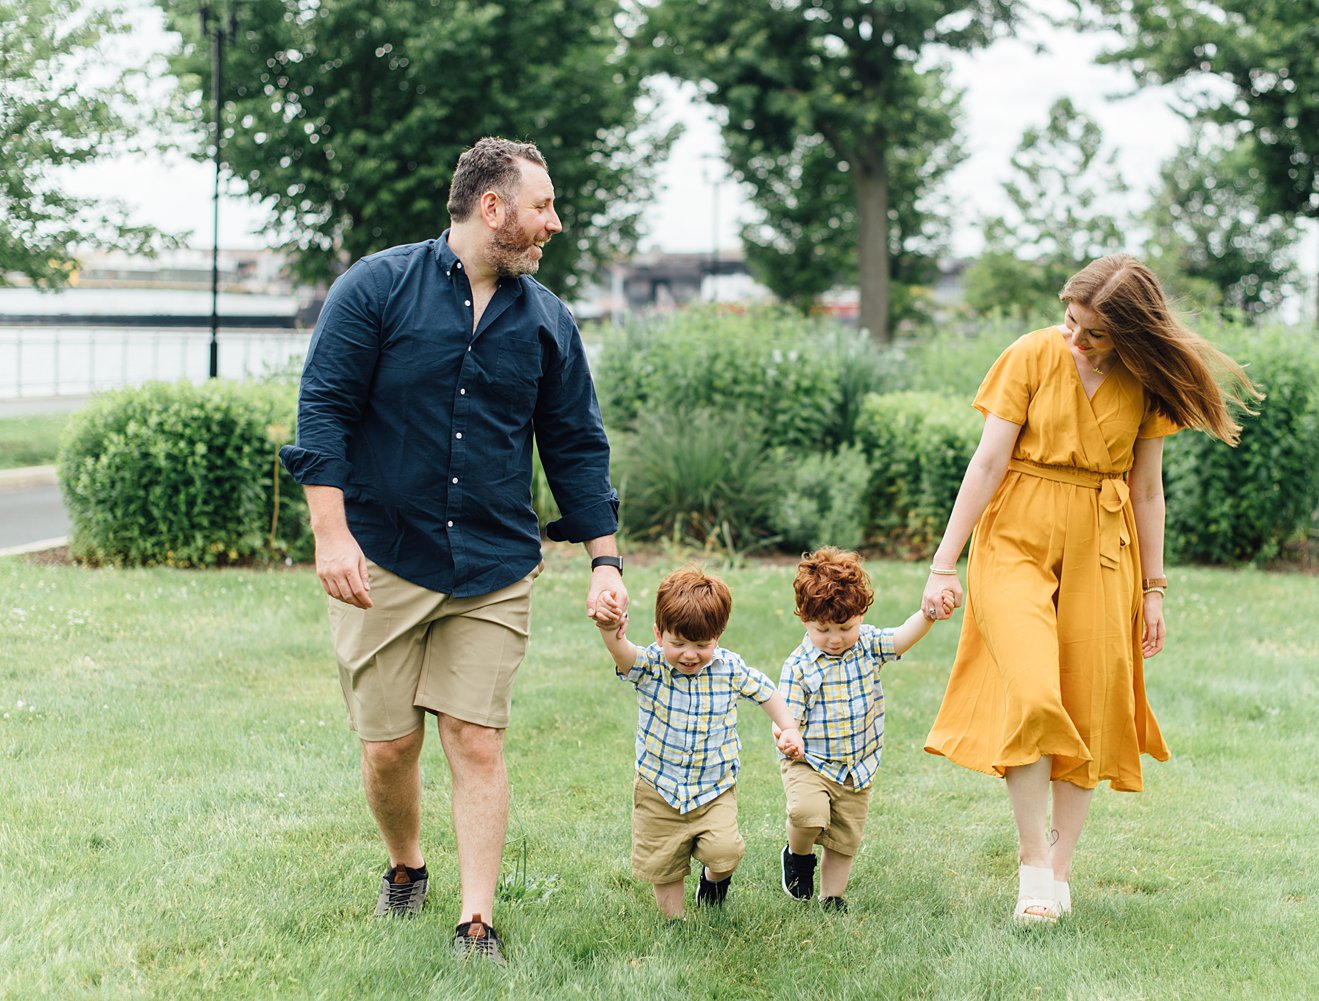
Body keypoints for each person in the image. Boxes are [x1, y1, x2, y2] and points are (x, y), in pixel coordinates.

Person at [279, 137, 628, 964]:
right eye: (543, 206)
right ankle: (407, 861)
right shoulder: (376, 287)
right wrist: (331, 533)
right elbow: (322, 408)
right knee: (389, 745)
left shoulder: (548, 320)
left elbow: (576, 443)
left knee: (477, 737)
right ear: (493, 207)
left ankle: (477, 921)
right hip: (384, 555)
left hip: (494, 565)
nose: (555, 222)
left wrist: (605, 560)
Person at [920, 255, 1259, 923]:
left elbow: (1147, 490)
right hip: (1014, 536)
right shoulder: (1030, 355)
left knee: (1086, 703)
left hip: (1104, 549)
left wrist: (1155, 589)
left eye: (1095, 333)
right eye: (1072, 322)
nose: (1075, 339)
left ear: (1130, 335)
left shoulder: (1145, 379)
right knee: (1035, 690)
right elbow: (987, 460)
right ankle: (1031, 862)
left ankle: (1061, 864)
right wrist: (942, 562)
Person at [591, 567, 805, 920]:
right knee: (665, 863)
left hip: (714, 788)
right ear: (659, 635)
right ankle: (675, 921)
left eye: (702, 645)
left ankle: (713, 883)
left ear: (717, 637)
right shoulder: (651, 666)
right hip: (659, 787)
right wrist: (609, 631)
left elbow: (766, 692)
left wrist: (789, 728)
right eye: (678, 643)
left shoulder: (730, 669)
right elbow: (623, 655)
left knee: (726, 853)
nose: (689, 654)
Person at [775, 547, 950, 912]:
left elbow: (902, 637)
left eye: (845, 627)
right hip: (810, 761)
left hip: (857, 767)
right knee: (807, 813)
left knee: (844, 840)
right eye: (823, 629)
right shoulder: (800, 666)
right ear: (804, 619)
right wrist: (787, 737)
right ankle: (798, 855)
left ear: (860, 616)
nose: (835, 638)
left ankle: (832, 897)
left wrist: (927, 615)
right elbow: (786, 717)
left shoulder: (868, 644)